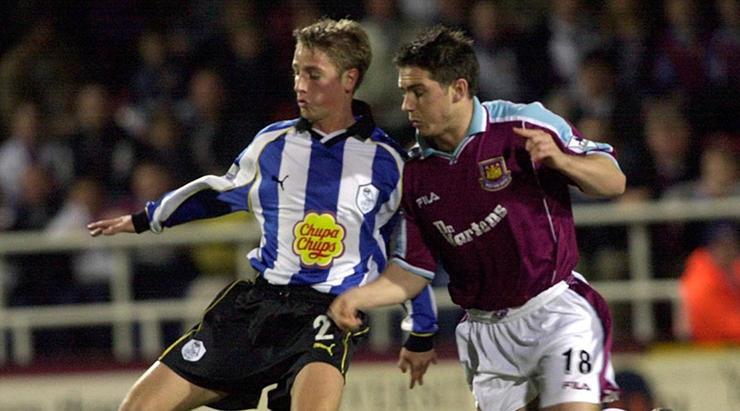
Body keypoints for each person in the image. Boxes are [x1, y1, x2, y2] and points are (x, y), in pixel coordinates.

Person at [87, 18, 437, 411]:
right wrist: (145, 219)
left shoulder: (389, 163)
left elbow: (409, 257)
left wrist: (421, 330)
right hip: (258, 304)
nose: (299, 84)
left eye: (313, 74)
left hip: (328, 314)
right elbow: (218, 193)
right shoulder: (272, 144)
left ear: (349, 79)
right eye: (296, 71)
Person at [329, 26, 626, 411]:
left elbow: (613, 181)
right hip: (486, 336)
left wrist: (562, 161)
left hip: (555, 311)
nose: (406, 105)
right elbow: (412, 270)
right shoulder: (413, 174)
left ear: (458, 89)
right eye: (404, 92)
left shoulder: (523, 125)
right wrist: (358, 297)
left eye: (418, 91)